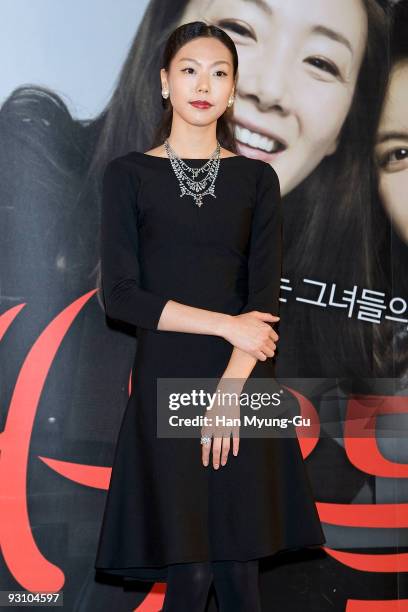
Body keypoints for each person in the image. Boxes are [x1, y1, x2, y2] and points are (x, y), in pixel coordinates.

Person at [94, 21, 326, 612]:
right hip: (166, 378)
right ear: (165, 83)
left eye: (220, 73)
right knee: (191, 576)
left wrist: (229, 386)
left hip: (244, 378)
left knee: (242, 576)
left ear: (232, 91)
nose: (204, 84)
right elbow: (120, 296)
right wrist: (224, 324)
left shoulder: (256, 179)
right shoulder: (129, 175)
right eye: (190, 70)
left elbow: (264, 301)